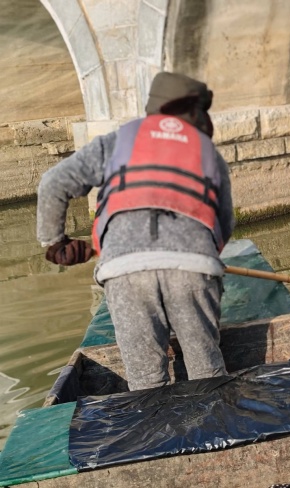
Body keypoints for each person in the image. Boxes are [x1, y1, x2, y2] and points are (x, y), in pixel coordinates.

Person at [37, 72, 235, 391]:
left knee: (145, 382)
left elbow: (53, 184)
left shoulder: (116, 142)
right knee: (207, 373)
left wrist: (55, 241)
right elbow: (224, 225)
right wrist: (202, 259)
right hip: (194, 267)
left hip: (123, 271)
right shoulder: (209, 153)